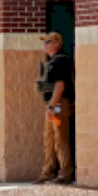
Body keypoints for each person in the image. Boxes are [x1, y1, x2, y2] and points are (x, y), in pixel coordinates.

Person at [35, 32, 75, 185]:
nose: (45, 44)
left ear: (57, 43)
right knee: (49, 140)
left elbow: (60, 86)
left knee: (60, 139)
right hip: (52, 105)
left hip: (59, 105)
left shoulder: (61, 61)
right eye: (44, 41)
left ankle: (65, 173)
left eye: (48, 41)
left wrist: (51, 105)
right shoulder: (50, 62)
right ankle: (48, 172)